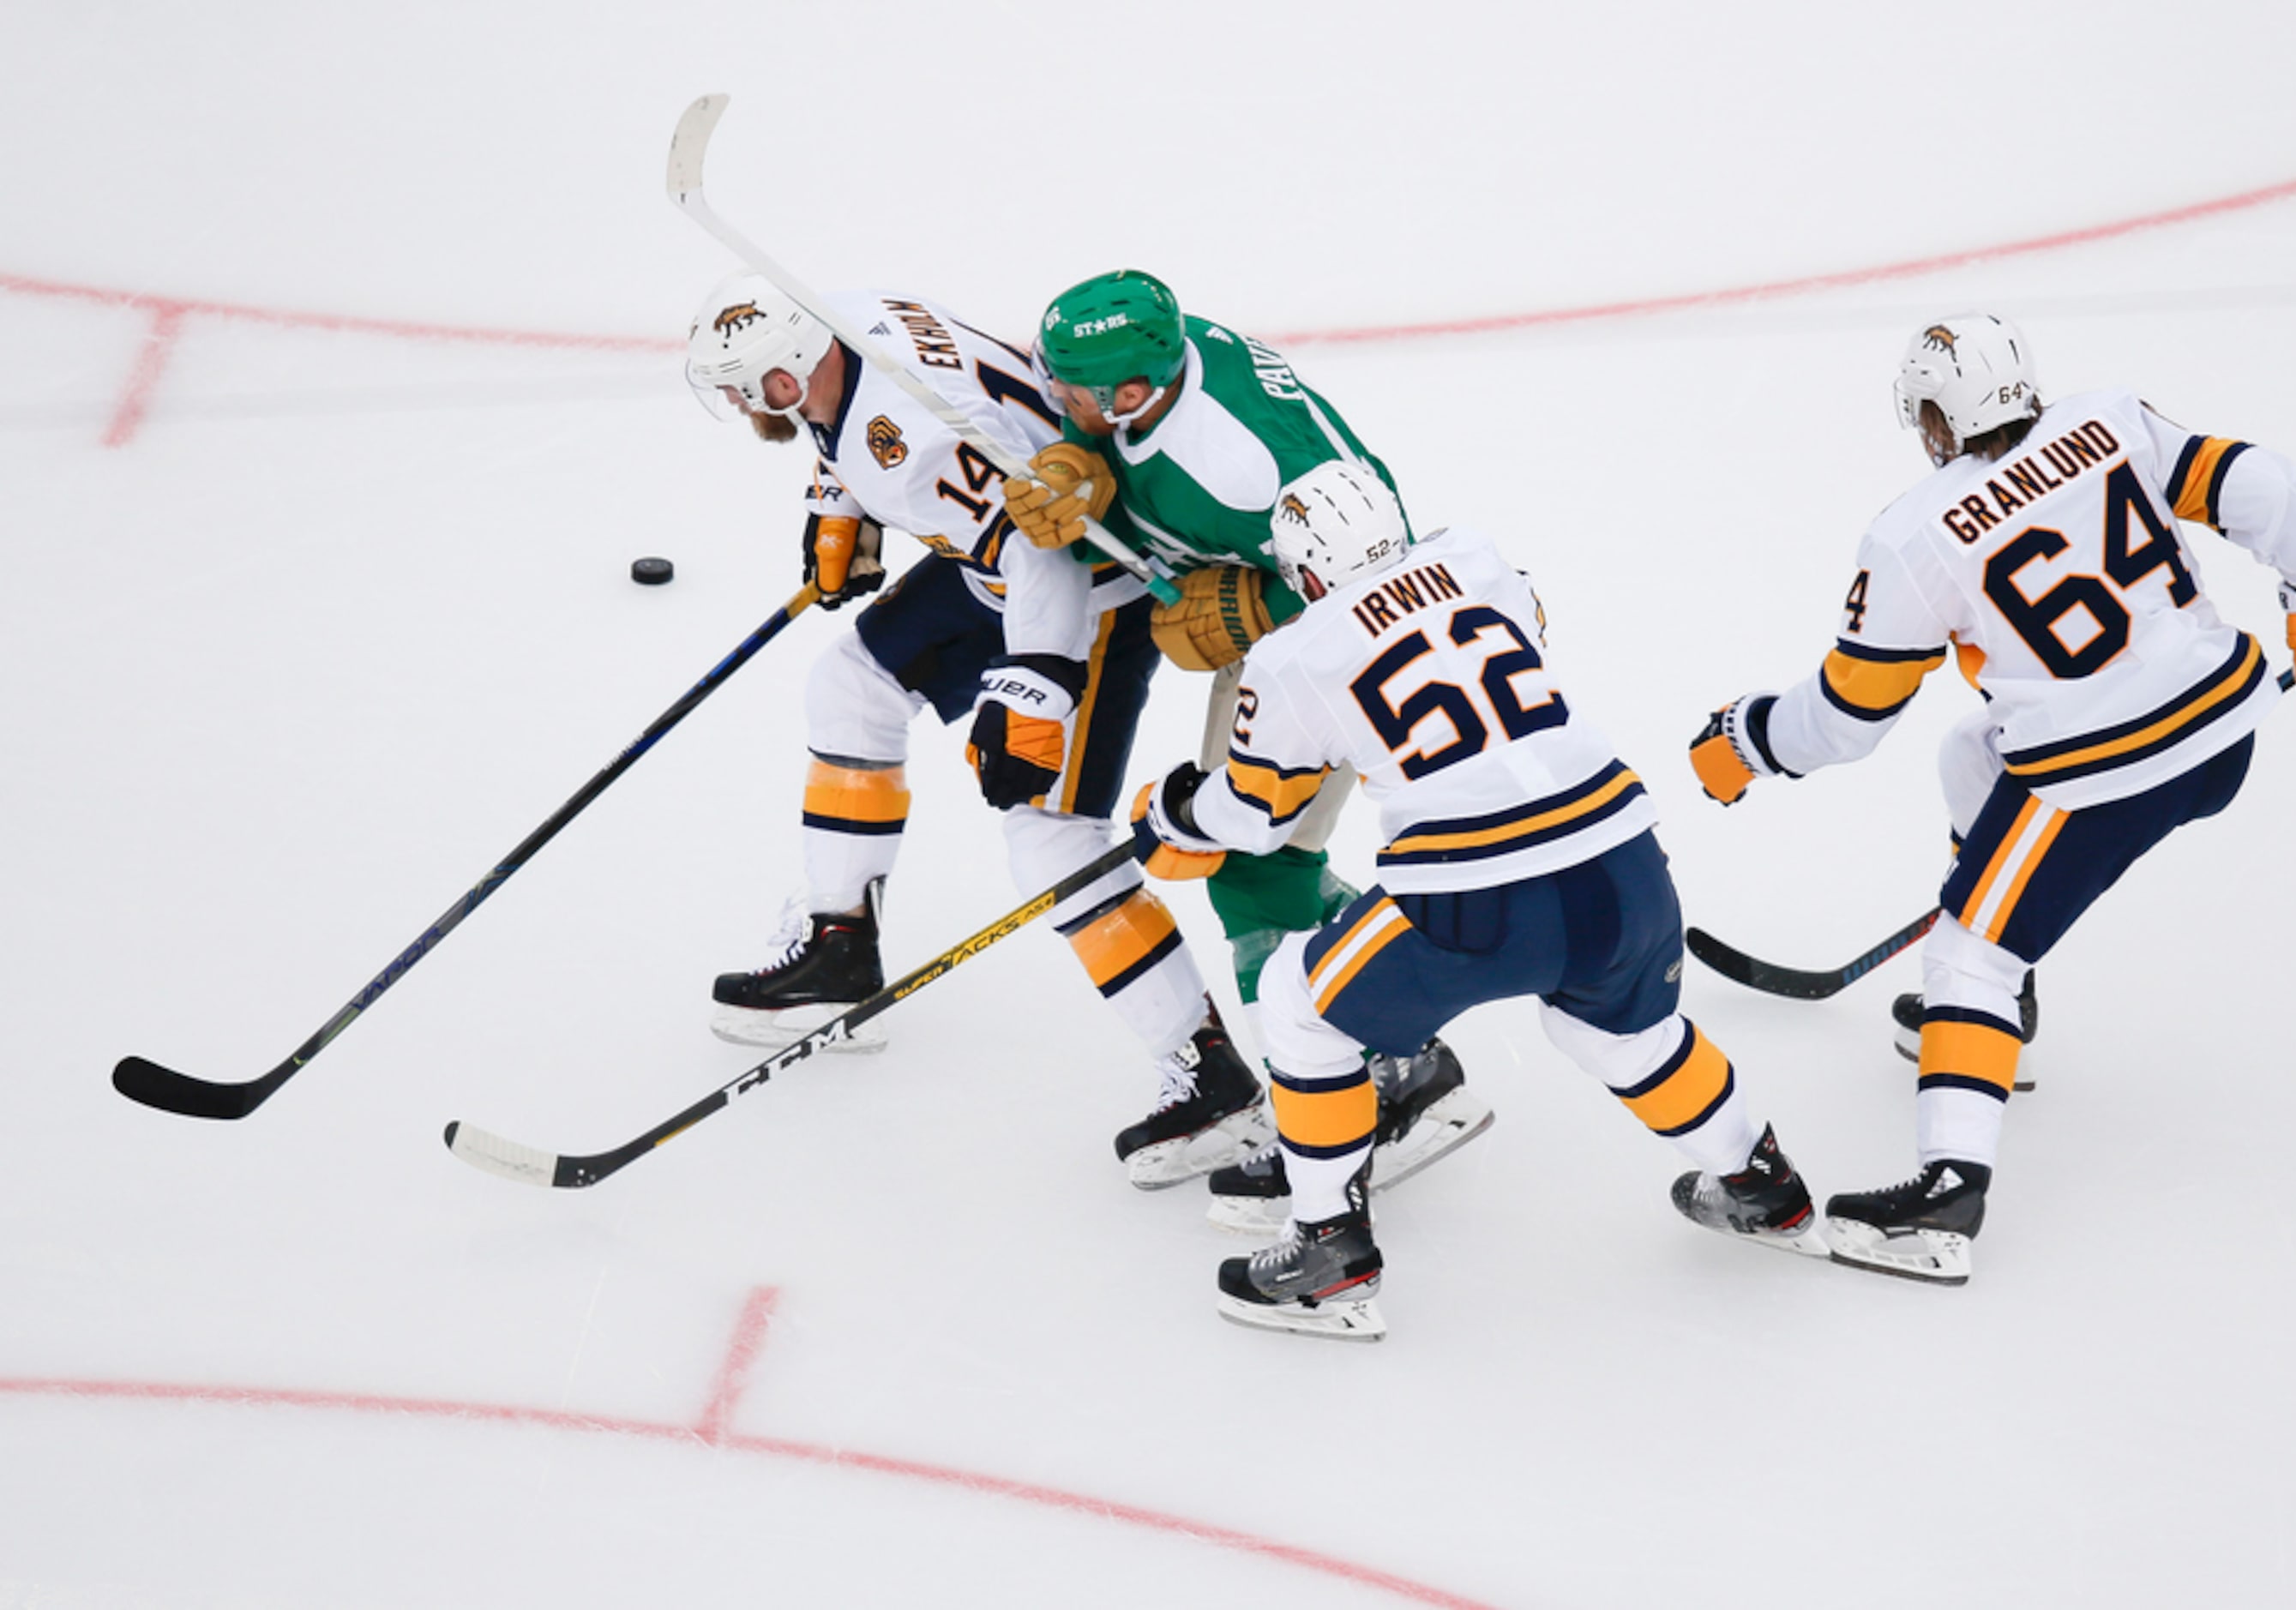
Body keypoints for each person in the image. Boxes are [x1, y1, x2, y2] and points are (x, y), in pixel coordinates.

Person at [1689, 313, 2296, 1285]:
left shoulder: (1915, 535)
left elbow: (1850, 716)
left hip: (2097, 777)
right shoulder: (2114, 421)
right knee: (1970, 757)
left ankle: (1946, 1196)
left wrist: (1748, 742)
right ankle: (2003, 1020)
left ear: (1933, 418)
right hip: (2221, 732)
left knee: (1967, 950)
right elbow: (2259, 485)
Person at [1130, 462, 1825, 1341]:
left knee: (1299, 1007)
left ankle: (1328, 1250)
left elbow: (1259, 817)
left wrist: (1176, 811)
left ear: (1304, 574)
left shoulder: (1294, 653)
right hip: (1623, 857)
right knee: (1617, 1033)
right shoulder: (1475, 560)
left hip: (1473, 889)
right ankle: (1763, 1185)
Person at [681, 273, 1263, 1186]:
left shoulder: (921, 432)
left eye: (758, 385)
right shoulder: (845, 323)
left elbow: (1043, 549)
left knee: (1052, 839)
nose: (748, 403)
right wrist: (839, 505)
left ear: (794, 365)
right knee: (852, 688)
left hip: (1085, 591)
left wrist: (1036, 685)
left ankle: (1212, 1075)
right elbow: (869, 446)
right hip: (997, 566)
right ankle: (840, 950)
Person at [1004, 269, 1491, 1223]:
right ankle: (1400, 1055)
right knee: (1271, 868)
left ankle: (1351, 1110)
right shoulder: (1165, 361)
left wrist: (1251, 604)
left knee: (1249, 869)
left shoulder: (1245, 463)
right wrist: (1080, 463)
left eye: (1071, 394)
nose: (1056, 397)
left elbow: (1375, 547)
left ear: (1131, 392)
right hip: (1302, 646)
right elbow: (1134, 466)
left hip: (1340, 656)